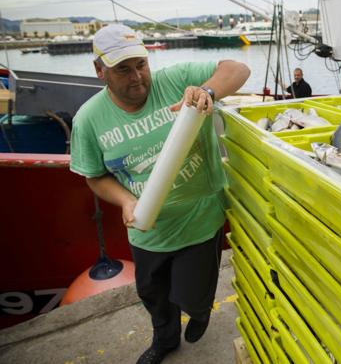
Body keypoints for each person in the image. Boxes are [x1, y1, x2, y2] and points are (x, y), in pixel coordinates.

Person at [70, 24, 250, 364]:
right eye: (122, 69)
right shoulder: (88, 121)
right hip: (147, 228)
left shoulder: (174, 82)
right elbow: (95, 176)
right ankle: (165, 340)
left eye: (141, 64)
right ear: (99, 71)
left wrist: (208, 91)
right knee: (154, 296)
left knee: (194, 295)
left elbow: (237, 68)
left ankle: (199, 314)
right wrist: (125, 200)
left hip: (200, 220)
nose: (136, 76)